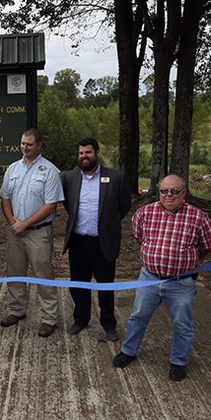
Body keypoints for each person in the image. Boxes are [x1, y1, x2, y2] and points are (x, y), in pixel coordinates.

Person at [112, 175, 211, 381]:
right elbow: (139, 237)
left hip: (180, 283)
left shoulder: (199, 217)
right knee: (138, 316)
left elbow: (207, 247)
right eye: (163, 191)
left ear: (184, 193)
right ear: (158, 192)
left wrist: (187, 262)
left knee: (182, 323)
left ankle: (179, 361)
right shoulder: (144, 212)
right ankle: (129, 351)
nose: (168, 195)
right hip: (149, 278)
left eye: (174, 191)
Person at [61, 137, 132, 341]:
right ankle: (81, 319)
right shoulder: (71, 178)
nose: (84, 156)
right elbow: (68, 205)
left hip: (103, 242)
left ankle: (108, 324)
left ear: (97, 153)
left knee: (105, 286)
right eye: (81, 153)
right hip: (78, 241)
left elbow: (124, 205)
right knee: (78, 284)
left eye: (88, 153)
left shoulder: (116, 177)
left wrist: (108, 222)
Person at [0, 129, 65, 338]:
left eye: (29, 144)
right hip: (15, 231)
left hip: (38, 232)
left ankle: (49, 318)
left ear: (39, 145)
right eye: (22, 143)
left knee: (43, 274)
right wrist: (13, 223)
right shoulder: (12, 169)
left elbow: (50, 205)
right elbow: (5, 198)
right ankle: (17, 310)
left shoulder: (50, 171)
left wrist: (25, 223)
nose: (24, 148)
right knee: (15, 272)